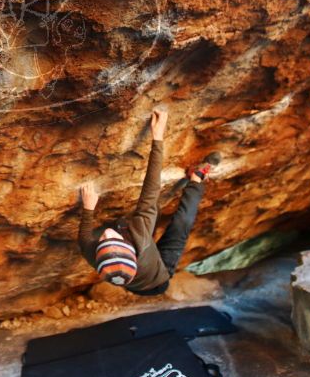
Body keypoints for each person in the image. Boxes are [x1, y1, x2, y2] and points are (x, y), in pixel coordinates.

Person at [77, 109, 217, 295]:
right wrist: (158, 137)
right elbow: (151, 187)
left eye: (102, 241)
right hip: (161, 276)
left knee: (147, 216)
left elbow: (84, 238)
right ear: (129, 247)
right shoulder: (140, 236)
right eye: (113, 239)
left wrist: (88, 209)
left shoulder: (97, 256)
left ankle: (153, 220)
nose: (106, 234)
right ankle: (198, 178)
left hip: (134, 275)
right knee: (181, 224)